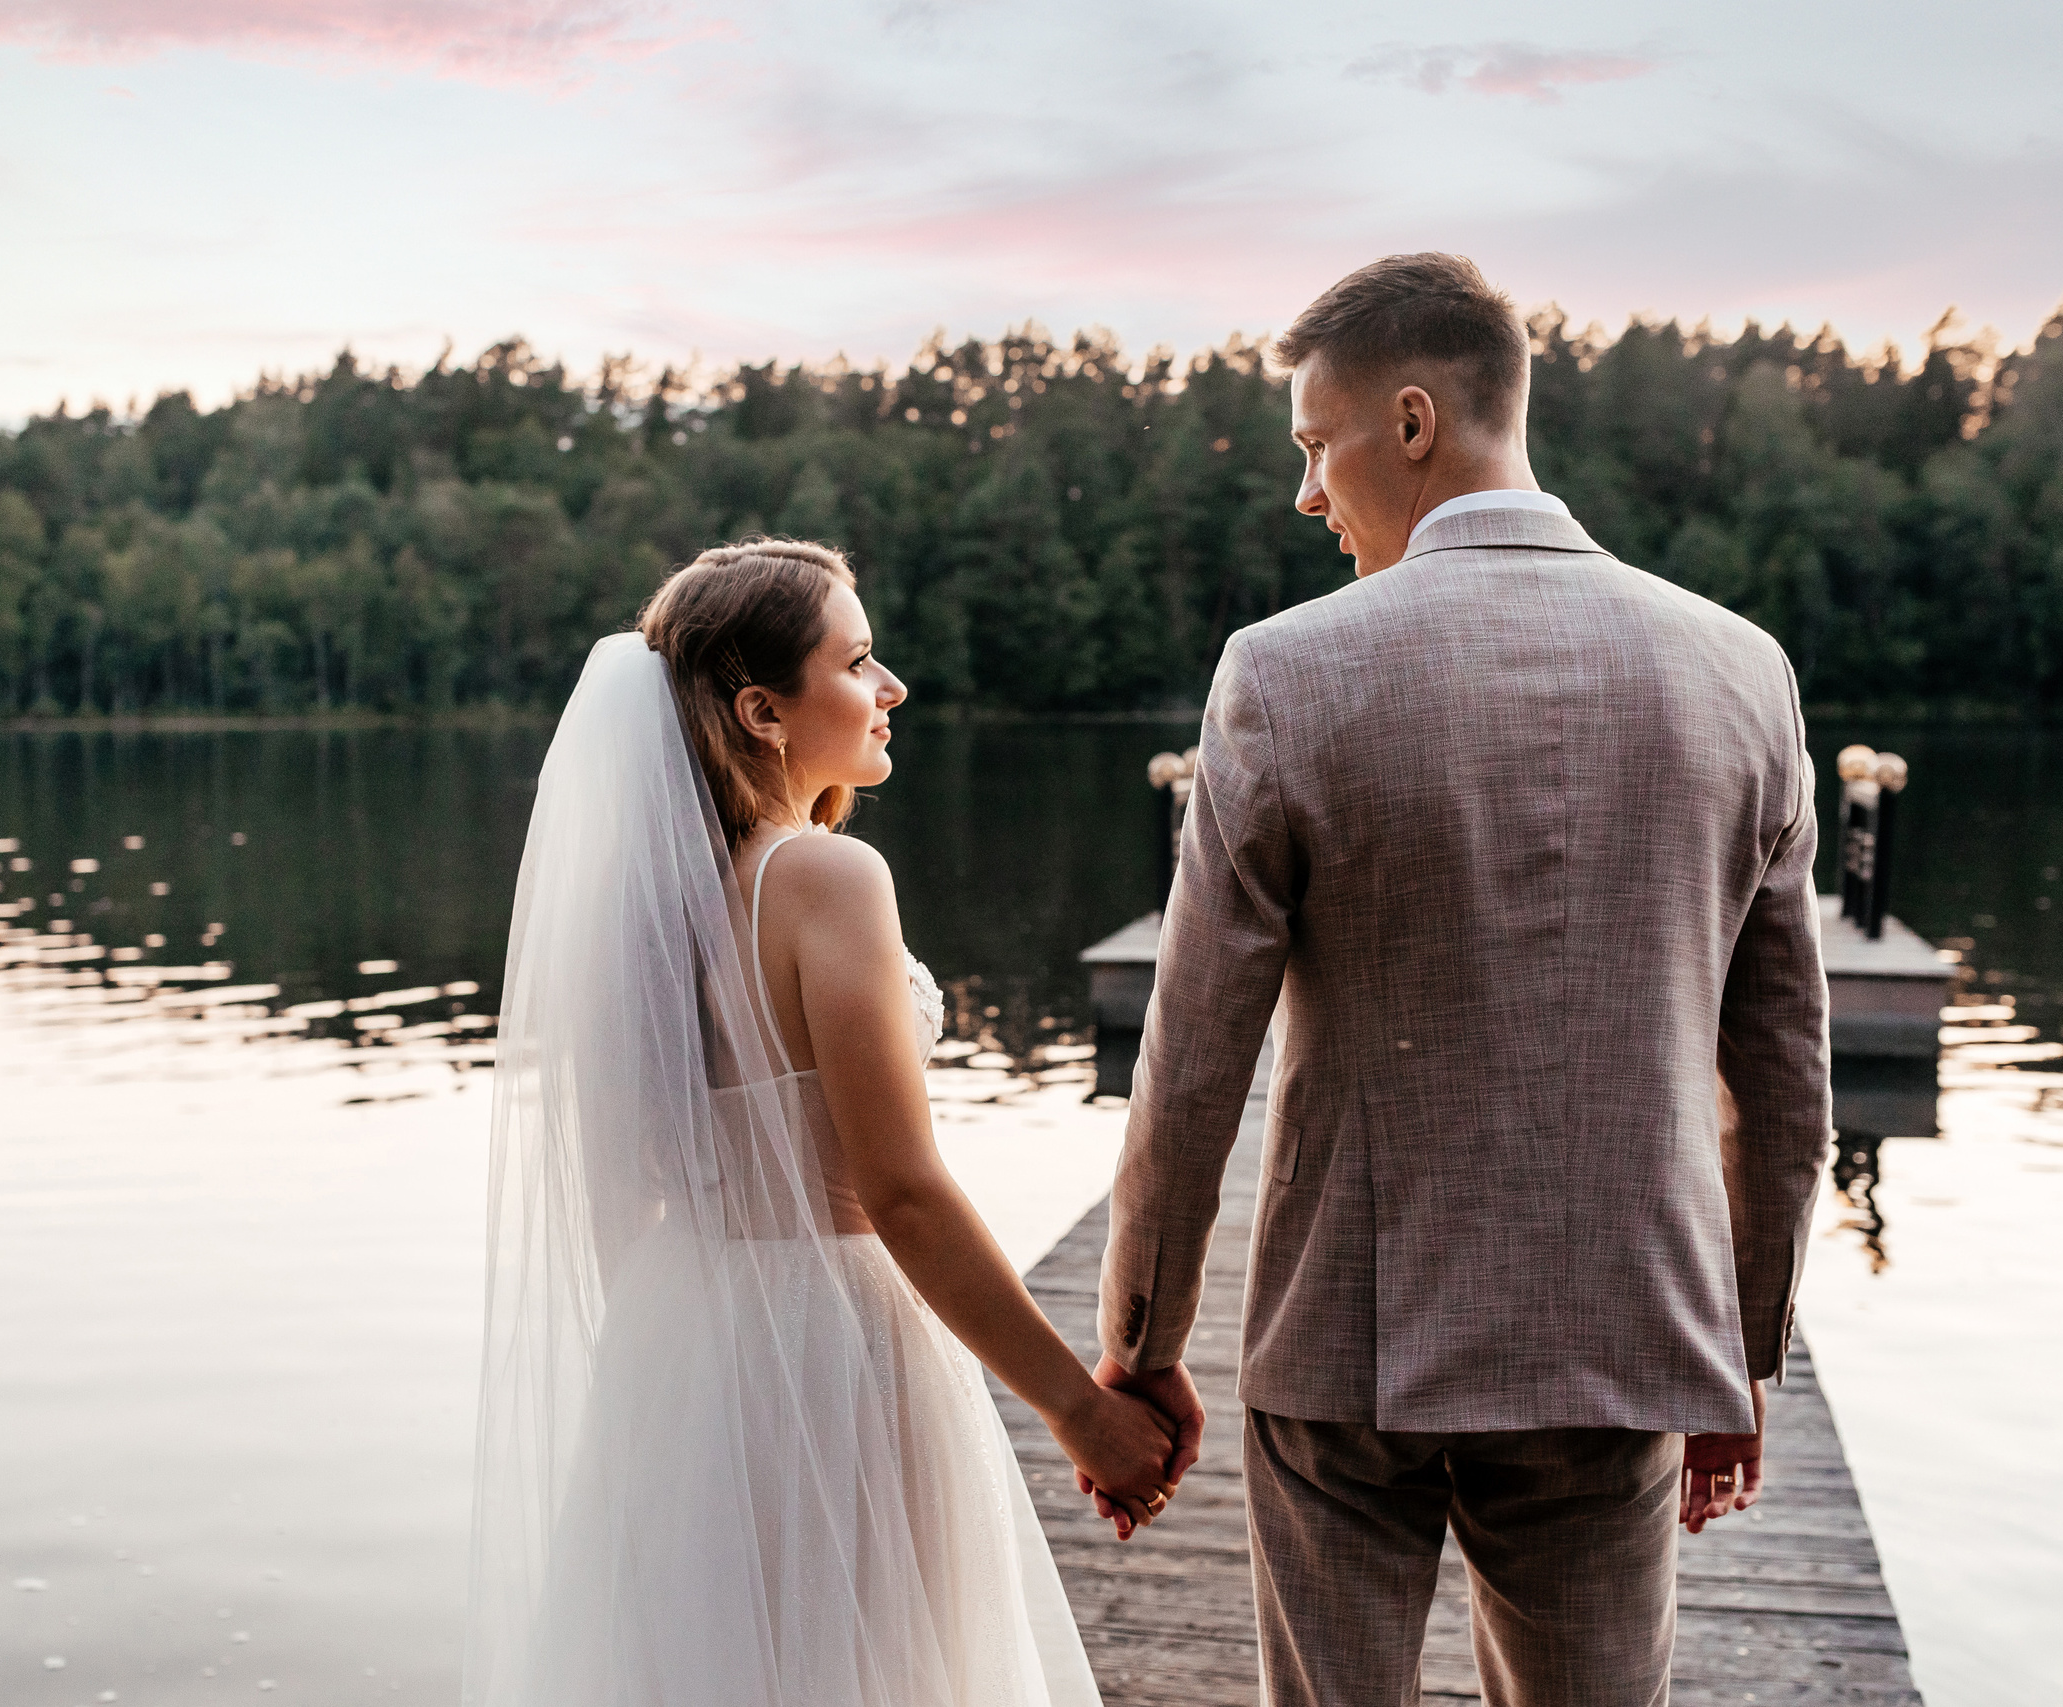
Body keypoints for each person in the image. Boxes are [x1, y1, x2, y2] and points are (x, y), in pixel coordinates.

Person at [1086, 254, 1833, 1706]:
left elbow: (1188, 1067)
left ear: (1413, 419)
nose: (1308, 493)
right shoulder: (1743, 672)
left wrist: (1140, 1344)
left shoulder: (1284, 674)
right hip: (1624, 1333)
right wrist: (1742, 1354)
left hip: (1347, 1341)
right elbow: (1787, 1073)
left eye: (1317, 443)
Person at [463, 539, 1178, 1707]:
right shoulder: (825, 877)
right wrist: (1079, 1409)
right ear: (762, 710)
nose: (891, 687)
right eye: (857, 662)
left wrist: (677, 1369)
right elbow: (899, 1193)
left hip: (681, 1342)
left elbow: (613, 1188)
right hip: (833, 1344)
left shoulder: (645, 909)